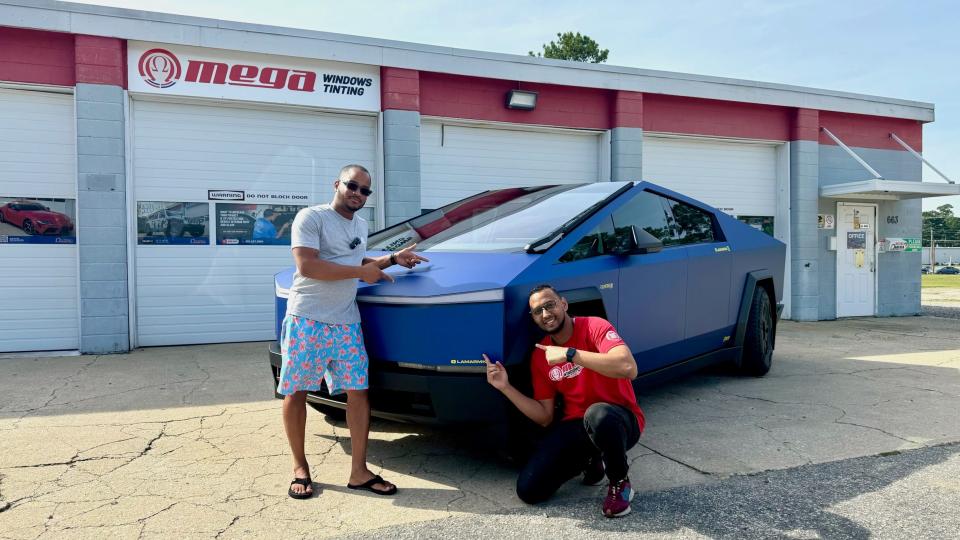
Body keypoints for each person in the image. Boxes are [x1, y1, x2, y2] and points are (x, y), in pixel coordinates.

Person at [278, 164, 428, 499]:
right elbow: (308, 265)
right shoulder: (311, 218)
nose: (358, 194)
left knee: (358, 393)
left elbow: (354, 263)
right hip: (308, 319)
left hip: (346, 322)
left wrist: (390, 259)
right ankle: (300, 467)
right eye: (352, 186)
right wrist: (362, 274)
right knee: (297, 392)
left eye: (365, 190)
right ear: (337, 184)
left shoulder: (360, 224)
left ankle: (359, 472)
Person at [484, 284, 645, 518]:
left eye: (550, 305)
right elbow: (544, 416)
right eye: (538, 311)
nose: (546, 314)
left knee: (597, 415)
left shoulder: (594, 326)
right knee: (529, 490)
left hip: (619, 421)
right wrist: (505, 387)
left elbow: (628, 368)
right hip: (578, 426)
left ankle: (620, 482)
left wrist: (571, 354)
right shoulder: (541, 355)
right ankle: (592, 459)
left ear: (564, 304)